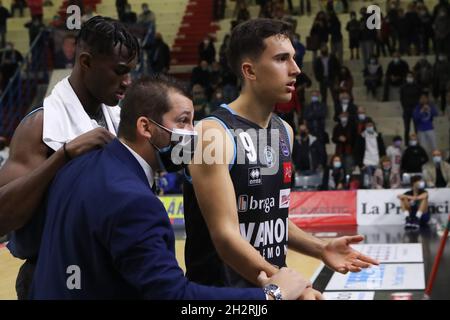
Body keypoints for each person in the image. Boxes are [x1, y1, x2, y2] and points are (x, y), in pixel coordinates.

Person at [29, 76, 308, 300]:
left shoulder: (78, 165)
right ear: (145, 127)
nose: (193, 132)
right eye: (183, 121)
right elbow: (176, 297)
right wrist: (272, 295)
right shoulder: (134, 202)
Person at [183, 19, 378, 295]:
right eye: (281, 59)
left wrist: (321, 249)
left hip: (272, 291)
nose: (296, 69)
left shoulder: (284, 130)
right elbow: (225, 237)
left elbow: (269, 217)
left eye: (294, 58)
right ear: (249, 71)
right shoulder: (211, 133)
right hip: (223, 295)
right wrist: (289, 286)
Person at [0, 16, 140, 300]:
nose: (128, 82)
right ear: (86, 62)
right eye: (120, 71)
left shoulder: (118, 117)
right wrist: (62, 156)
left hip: (107, 273)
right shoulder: (40, 126)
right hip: (54, 277)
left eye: (131, 72)